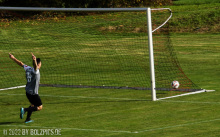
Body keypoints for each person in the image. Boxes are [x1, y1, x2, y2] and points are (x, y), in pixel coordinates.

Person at [9, 53, 43, 123]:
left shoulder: (28, 68)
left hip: (27, 92)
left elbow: (21, 63)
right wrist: (34, 60)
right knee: (40, 107)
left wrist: (13, 58)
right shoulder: (35, 71)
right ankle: (24, 110)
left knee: (32, 105)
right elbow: (35, 67)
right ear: (38, 64)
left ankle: (28, 119)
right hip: (33, 93)